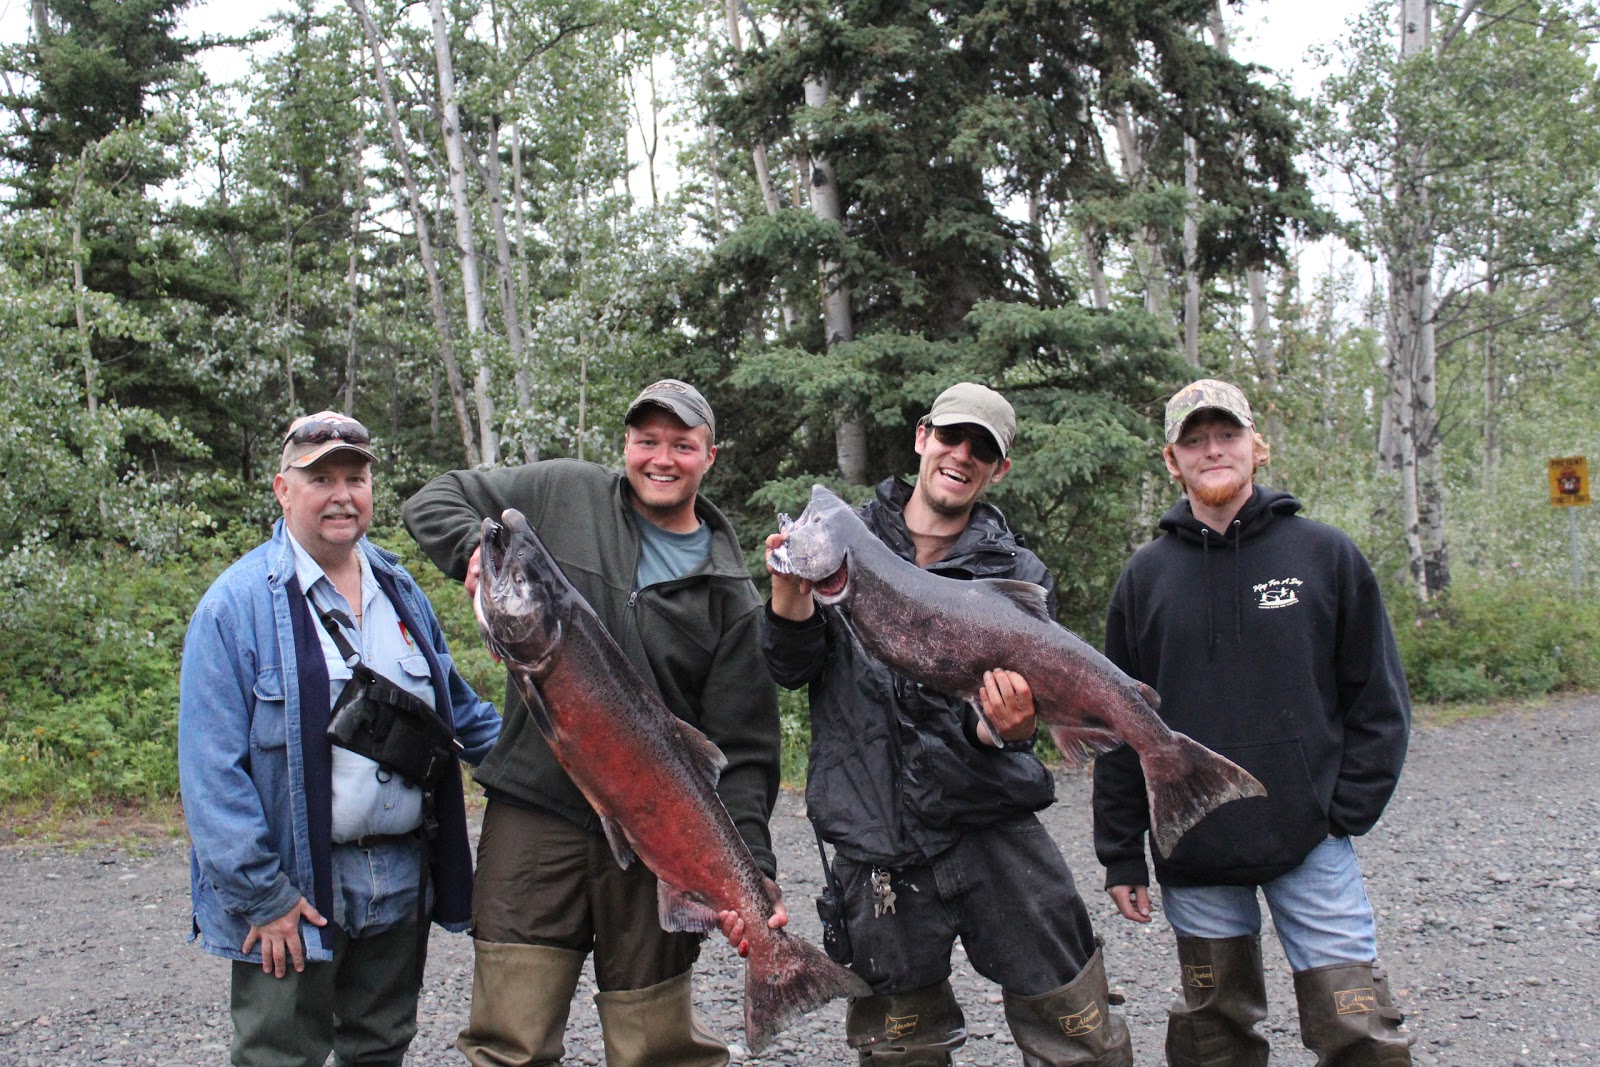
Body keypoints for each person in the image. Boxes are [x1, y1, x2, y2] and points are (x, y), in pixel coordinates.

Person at [402, 378, 782, 1067]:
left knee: (658, 1050)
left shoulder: (733, 593)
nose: (660, 457)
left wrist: (752, 869)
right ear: (626, 446)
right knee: (506, 1041)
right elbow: (432, 499)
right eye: (646, 440)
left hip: (654, 835)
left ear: (709, 456)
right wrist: (474, 547)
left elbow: (746, 752)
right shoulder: (563, 490)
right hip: (535, 814)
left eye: (681, 444)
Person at [763, 382, 1134, 1067]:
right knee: (901, 1050)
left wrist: (1003, 727)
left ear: (998, 469)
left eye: (982, 448)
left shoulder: (1017, 573)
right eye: (951, 436)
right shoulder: (846, 539)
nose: (961, 454)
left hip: (990, 822)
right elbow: (792, 667)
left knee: (1078, 1031)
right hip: (874, 834)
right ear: (922, 436)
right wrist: (789, 593)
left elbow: (1013, 728)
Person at [1093, 378, 1414, 1066]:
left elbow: (1378, 699)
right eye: (1194, 440)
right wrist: (1121, 850)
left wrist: (1340, 808)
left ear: (1256, 446)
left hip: (1311, 843)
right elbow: (1118, 726)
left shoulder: (1324, 555)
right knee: (1215, 1036)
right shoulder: (1144, 579)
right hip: (1195, 848)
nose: (1213, 451)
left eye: (1227, 435)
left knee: (1358, 1029)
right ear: (1171, 459)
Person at [178, 410, 503, 1066]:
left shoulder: (399, 588)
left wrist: (573, 767)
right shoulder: (233, 606)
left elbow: (462, 715)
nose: (341, 493)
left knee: (380, 1048)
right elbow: (210, 772)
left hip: (400, 873)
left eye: (355, 477)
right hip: (294, 887)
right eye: (320, 476)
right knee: (280, 1054)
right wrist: (262, 897)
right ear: (282, 489)